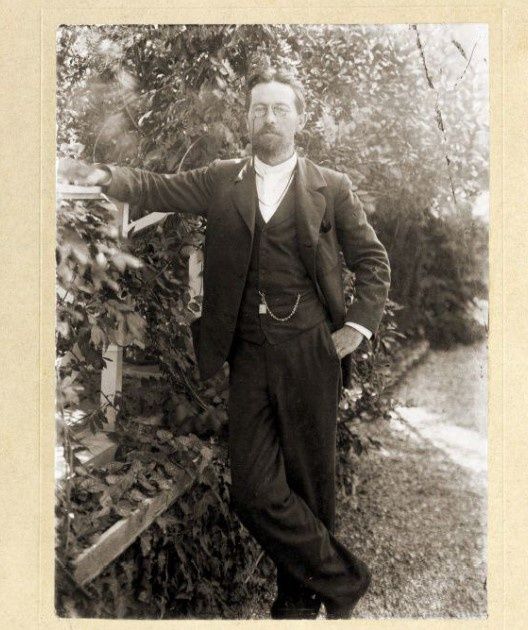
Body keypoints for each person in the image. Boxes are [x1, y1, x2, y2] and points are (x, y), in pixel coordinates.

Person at [58, 67, 391, 619]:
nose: (269, 117)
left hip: (311, 348)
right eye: (259, 108)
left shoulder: (330, 186)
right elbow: (156, 186)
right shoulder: (222, 179)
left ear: (299, 119)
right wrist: (102, 175)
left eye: (279, 108)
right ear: (248, 118)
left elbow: (373, 261)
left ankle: (296, 604)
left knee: (310, 482)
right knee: (253, 490)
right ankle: (347, 580)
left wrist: (355, 328)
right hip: (249, 350)